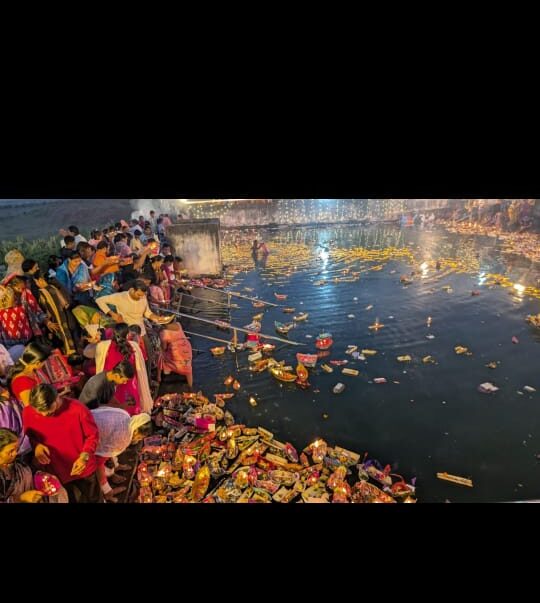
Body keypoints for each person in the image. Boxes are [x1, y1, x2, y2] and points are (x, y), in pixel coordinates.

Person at [24, 383, 102, 503]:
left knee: (94, 499)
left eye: (48, 412)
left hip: (82, 466)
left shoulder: (78, 409)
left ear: (57, 398)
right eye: (39, 413)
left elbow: (92, 436)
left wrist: (84, 456)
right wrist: (37, 446)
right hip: (55, 469)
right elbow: (30, 436)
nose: (44, 415)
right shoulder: (28, 412)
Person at [91, 407, 151, 502]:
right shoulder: (123, 437)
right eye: (140, 438)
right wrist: (106, 489)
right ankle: (103, 495)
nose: (139, 440)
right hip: (80, 441)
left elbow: (109, 443)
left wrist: (116, 465)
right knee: (90, 480)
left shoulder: (125, 416)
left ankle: (113, 470)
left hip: (89, 419)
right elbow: (98, 461)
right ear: (136, 431)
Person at [95, 323, 153, 414]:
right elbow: (139, 366)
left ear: (114, 333)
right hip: (130, 386)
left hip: (112, 386)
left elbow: (96, 361)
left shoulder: (103, 347)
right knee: (131, 411)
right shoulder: (134, 346)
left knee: (115, 412)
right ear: (127, 334)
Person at [0, 428, 68, 503]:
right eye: (10, 451)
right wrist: (21, 499)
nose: (15, 453)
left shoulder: (18, 464)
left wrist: (43, 479)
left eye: (17, 449)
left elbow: (31, 472)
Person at [95, 280, 170, 338]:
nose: (141, 297)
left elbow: (147, 313)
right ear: (133, 290)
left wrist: (158, 318)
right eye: (139, 295)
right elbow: (99, 300)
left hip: (141, 332)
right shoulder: (120, 297)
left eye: (142, 295)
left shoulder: (143, 297)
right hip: (127, 333)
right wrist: (112, 314)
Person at [0, 275, 52, 348]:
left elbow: (36, 309)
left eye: (23, 288)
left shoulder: (26, 294)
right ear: (11, 287)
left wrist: (47, 322)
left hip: (28, 337)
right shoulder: (3, 297)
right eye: (18, 288)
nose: (21, 290)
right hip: (10, 341)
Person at [7, 341, 50, 406]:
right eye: (44, 362)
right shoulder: (22, 382)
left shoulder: (31, 372)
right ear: (37, 363)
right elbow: (29, 407)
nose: (44, 364)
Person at [158, 321, 193, 388]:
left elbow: (164, 348)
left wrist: (160, 347)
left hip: (176, 350)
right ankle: (190, 386)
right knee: (188, 368)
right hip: (186, 346)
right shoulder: (178, 324)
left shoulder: (163, 333)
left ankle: (160, 376)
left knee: (161, 354)